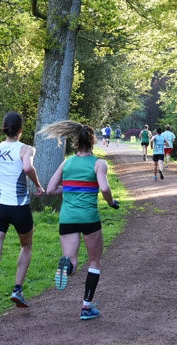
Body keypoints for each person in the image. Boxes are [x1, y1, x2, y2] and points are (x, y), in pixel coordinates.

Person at [37, 120, 120, 321]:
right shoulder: (99, 163)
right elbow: (105, 188)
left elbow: (50, 190)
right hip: (89, 217)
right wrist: (110, 202)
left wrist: (69, 189)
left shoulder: (67, 162)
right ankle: (86, 306)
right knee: (94, 261)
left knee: (72, 261)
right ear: (93, 141)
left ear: (76, 142)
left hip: (68, 218)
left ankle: (67, 266)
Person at [0, 111, 45, 329]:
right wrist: (38, 185)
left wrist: (3, 170)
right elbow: (26, 167)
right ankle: (17, 289)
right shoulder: (26, 149)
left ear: (4, 128)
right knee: (26, 246)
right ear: (21, 129)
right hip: (19, 208)